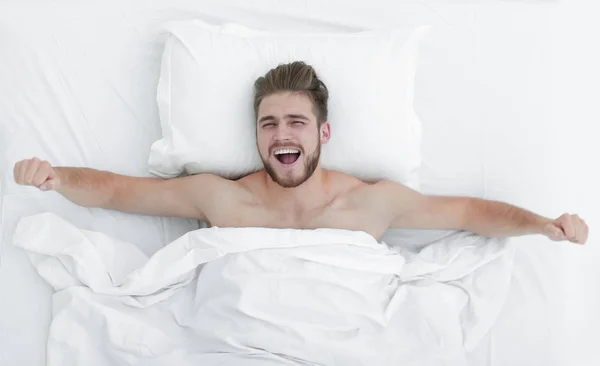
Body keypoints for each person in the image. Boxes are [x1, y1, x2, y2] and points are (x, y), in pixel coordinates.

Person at [13, 61, 588, 244]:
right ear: (258, 137)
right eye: (269, 124)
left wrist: (543, 225)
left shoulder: (370, 204)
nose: (282, 134)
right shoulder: (220, 196)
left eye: (296, 122)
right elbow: (120, 191)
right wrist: (55, 175)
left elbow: (464, 213)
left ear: (323, 135)